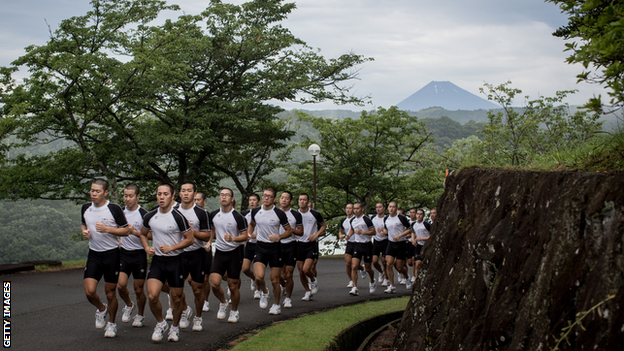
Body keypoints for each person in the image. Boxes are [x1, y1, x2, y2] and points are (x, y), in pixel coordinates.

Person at [140, 183, 194, 342]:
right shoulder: (150, 216)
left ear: (172, 196)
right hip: (157, 261)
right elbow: (143, 234)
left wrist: (172, 247)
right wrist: (146, 248)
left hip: (176, 261)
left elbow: (190, 239)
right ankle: (161, 323)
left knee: (176, 298)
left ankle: (175, 328)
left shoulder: (178, 217)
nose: (161, 197)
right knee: (152, 296)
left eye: (165, 194)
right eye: (159, 194)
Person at [81, 179, 130, 338]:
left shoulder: (113, 208)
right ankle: (102, 309)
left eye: (97, 191)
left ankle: (112, 323)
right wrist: (85, 232)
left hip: (111, 254)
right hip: (94, 254)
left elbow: (126, 231)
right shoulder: (86, 208)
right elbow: (84, 223)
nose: (93, 194)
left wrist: (107, 229)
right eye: (92, 190)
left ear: (105, 192)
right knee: (89, 292)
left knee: (110, 293)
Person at [248, 187, 292, 315]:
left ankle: (276, 304)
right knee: (258, 277)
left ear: (274, 199)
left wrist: (278, 236)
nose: (266, 198)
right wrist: (250, 232)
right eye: (264, 195)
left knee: (274, 280)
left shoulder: (279, 213)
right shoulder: (256, 211)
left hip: (275, 248)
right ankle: (265, 292)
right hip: (260, 247)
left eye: (269, 196)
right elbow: (252, 224)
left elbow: (289, 231)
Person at [175, 182, 212, 332]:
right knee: (173, 289)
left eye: (189, 191)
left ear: (194, 193)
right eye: (183, 190)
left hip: (196, 253)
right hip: (178, 254)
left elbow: (207, 235)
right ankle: (185, 310)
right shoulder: (173, 211)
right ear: (179, 193)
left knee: (197, 289)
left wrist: (191, 231)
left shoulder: (201, 212)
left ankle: (198, 317)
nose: (185, 193)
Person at [208, 188, 248, 323]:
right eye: (221, 195)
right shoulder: (213, 215)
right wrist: (209, 241)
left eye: (227, 195)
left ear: (232, 199)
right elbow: (212, 229)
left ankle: (234, 311)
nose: (223, 197)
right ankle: (223, 302)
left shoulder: (238, 217)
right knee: (214, 284)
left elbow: (245, 236)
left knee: (233, 286)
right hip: (219, 252)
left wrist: (232, 239)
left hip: (234, 254)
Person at [117, 184, 148, 328]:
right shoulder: (120, 212)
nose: (127, 199)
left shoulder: (144, 214)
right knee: (120, 286)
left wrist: (134, 232)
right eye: (125, 196)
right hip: (123, 253)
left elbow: (151, 234)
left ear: (137, 196)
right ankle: (129, 305)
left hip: (139, 254)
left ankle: (140, 315)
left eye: (130, 196)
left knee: (138, 288)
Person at [296, 193, 326, 301]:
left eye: (304, 200)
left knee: (306, 269)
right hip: (299, 244)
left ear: (308, 202)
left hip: (311, 244)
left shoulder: (315, 214)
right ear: (298, 201)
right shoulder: (295, 214)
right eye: (300, 199)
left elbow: (324, 226)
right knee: (300, 271)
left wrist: (316, 235)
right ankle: (307, 291)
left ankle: (313, 280)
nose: (302, 201)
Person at [278, 191, 303, 308]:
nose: (283, 200)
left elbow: (301, 232)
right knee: (278, 274)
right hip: (277, 245)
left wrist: (290, 230)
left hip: (291, 245)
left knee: (289, 274)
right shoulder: (274, 213)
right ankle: (282, 285)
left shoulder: (296, 214)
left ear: (291, 201)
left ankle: (288, 298)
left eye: (286, 198)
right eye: (282, 198)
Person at [345, 202, 375, 296]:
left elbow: (373, 232)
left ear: (362, 209)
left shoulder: (366, 219)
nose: (356, 210)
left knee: (368, 268)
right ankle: (355, 288)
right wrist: (349, 235)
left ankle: (372, 281)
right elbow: (352, 229)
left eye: (358, 209)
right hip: (357, 245)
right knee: (354, 266)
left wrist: (362, 232)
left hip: (367, 245)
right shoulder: (352, 220)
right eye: (355, 209)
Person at [383, 201, 412, 294]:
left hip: (401, 243)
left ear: (396, 208)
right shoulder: (386, 218)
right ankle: (391, 286)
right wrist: (383, 232)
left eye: (393, 207)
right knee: (388, 264)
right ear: (388, 208)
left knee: (399, 267)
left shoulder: (401, 218)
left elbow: (410, 229)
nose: (391, 209)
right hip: (391, 243)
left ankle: (407, 277)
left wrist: (400, 235)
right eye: (390, 207)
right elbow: (386, 229)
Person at [193, 191, 213, 314]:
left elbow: (211, 231)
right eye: (194, 200)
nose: (196, 202)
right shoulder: (187, 214)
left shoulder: (207, 214)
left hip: (204, 249)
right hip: (191, 251)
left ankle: (205, 300)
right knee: (191, 279)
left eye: (198, 200)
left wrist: (209, 242)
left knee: (205, 278)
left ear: (204, 201)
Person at [338, 204, 364, 288]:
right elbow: (341, 231)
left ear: (353, 210)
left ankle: (362, 268)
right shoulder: (343, 220)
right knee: (348, 263)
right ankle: (351, 280)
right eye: (347, 208)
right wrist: (341, 235)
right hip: (349, 243)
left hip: (357, 242)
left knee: (354, 265)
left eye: (350, 208)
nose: (348, 210)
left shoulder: (355, 219)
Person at [241, 194, 261, 299]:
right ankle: (253, 279)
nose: (251, 202)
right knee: (245, 268)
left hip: (260, 245)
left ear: (259, 202)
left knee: (258, 271)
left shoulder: (262, 213)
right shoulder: (245, 214)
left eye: (254, 200)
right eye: (250, 200)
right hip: (249, 245)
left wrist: (256, 235)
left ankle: (258, 290)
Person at [411, 209, 431, 286]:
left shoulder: (426, 224)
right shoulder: (414, 224)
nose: (419, 216)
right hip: (418, 245)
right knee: (417, 263)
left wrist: (422, 238)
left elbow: (432, 236)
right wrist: (413, 239)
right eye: (417, 214)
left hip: (426, 245)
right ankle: (417, 280)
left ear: (423, 216)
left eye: (420, 214)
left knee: (426, 263)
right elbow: (413, 232)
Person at [371, 202, 389, 287]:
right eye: (377, 207)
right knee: (374, 261)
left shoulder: (387, 218)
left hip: (385, 241)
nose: (378, 209)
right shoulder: (373, 218)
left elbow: (388, 230)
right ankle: (381, 272)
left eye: (380, 207)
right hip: (376, 241)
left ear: (384, 208)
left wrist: (384, 232)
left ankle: (386, 278)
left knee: (384, 261)